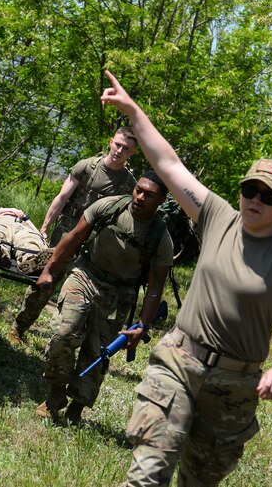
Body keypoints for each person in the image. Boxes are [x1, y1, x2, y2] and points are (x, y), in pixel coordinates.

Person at [100, 70, 272, 486]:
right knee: (147, 475)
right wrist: (133, 112)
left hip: (234, 386)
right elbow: (168, 163)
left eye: (268, 196)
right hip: (179, 361)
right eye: (250, 190)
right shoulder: (219, 216)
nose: (255, 200)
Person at [35, 171, 173, 425]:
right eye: (139, 190)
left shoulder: (160, 238)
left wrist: (142, 325)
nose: (140, 197)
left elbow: (155, 286)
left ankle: (77, 408)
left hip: (119, 295)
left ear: (161, 201)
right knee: (63, 333)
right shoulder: (109, 207)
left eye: (149, 195)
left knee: (97, 354)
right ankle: (55, 396)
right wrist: (48, 270)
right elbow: (74, 237)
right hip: (85, 275)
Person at [7, 127, 139, 345]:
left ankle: (60, 340)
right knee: (44, 282)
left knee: (79, 293)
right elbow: (62, 197)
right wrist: (45, 227)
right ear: (110, 142)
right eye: (117, 144)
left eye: (126, 148)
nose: (119, 150)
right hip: (66, 234)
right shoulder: (87, 167)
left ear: (132, 153)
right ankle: (18, 327)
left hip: (94, 244)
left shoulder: (129, 185)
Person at [0, 207, 53, 274]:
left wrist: (25, 218)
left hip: (21, 227)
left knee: (30, 241)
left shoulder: (24, 221)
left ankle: (31, 261)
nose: (13, 212)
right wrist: (2, 210)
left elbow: (39, 235)